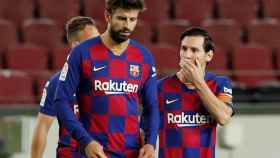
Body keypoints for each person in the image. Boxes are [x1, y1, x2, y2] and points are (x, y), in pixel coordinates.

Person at [54, 0, 159, 158]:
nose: (127, 26)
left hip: (131, 153)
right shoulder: (82, 53)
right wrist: (86, 141)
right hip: (94, 152)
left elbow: (152, 106)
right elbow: (61, 101)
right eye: (122, 19)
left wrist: (151, 143)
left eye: (132, 20)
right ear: (107, 16)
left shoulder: (143, 57)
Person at [156, 27, 234, 158]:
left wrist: (198, 82)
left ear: (208, 56)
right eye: (184, 48)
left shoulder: (220, 84)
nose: (187, 55)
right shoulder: (160, 87)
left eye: (194, 50)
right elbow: (145, 129)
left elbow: (223, 117)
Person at [31, 16, 100, 158]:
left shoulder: (113, 77)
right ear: (76, 46)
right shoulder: (56, 83)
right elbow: (42, 126)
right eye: (92, 41)